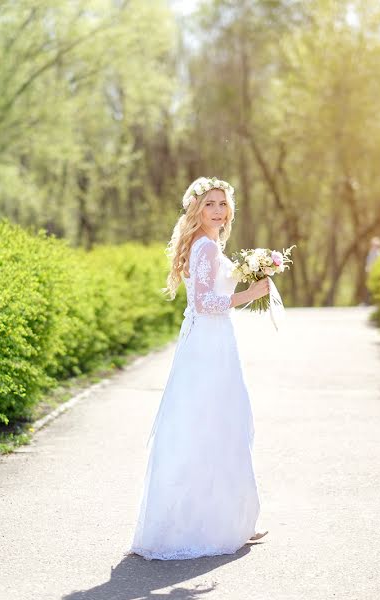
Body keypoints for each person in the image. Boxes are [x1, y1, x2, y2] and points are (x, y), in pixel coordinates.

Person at [128, 177, 270, 561]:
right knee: (216, 424)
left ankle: (226, 518)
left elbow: (210, 290)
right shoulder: (205, 246)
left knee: (210, 424)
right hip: (209, 343)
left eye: (223, 204)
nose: (218, 211)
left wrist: (248, 270)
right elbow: (208, 302)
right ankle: (211, 524)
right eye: (210, 204)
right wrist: (251, 293)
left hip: (207, 342)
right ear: (196, 209)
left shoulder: (204, 245)